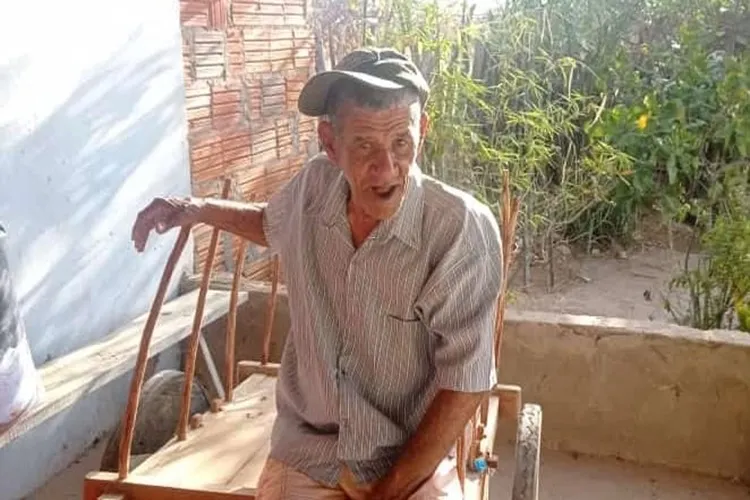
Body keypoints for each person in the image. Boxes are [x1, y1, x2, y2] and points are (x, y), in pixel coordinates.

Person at [131, 47, 503, 500]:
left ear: (421, 131)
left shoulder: (459, 230)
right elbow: (271, 223)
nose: (386, 168)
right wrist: (198, 209)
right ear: (330, 143)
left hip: (409, 459)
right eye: (363, 145)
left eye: (401, 143)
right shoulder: (313, 187)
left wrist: (386, 495)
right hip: (310, 450)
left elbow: (466, 383)